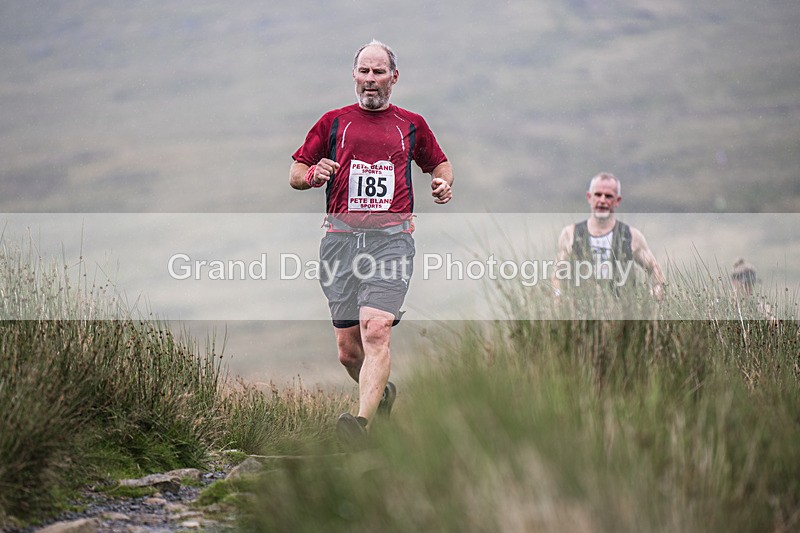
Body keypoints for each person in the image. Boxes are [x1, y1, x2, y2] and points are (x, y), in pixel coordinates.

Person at [289, 40, 454, 446]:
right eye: (364, 71)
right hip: (340, 244)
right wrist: (313, 176)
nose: (370, 79)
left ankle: (361, 427)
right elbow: (296, 171)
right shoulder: (333, 122)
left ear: (393, 78)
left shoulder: (410, 124)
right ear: (353, 75)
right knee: (349, 351)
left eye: (378, 72)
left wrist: (442, 183)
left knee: (376, 328)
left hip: (391, 243)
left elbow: (440, 163)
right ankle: (384, 395)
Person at [554, 172, 666, 300]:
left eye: (608, 196)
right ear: (589, 197)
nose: (602, 200)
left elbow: (654, 270)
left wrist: (653, 294)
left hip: (623, 314)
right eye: (598, 195)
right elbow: (558, 275)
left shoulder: (632, 236)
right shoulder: (570, 234)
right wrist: (558, 297)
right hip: (581, 315)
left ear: (617, 200)